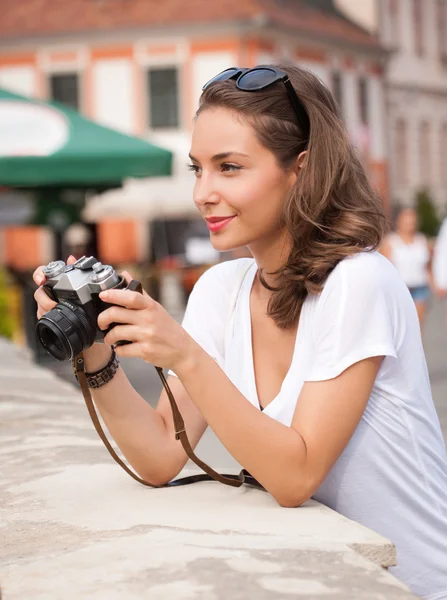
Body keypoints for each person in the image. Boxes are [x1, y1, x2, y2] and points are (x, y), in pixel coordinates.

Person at [33, 65, 447, 599]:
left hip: (413, 582)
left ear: (300, 169)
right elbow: (161, 455)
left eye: (229, 167)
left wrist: (185, 354)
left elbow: (295, 477)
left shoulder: (358, 281)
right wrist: (92, 346)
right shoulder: (220, 289)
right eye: (197, 168)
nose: (203, 192)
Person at [380, 207, 434, 329]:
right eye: (407, 221)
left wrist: (435, 284)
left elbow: (428, 266)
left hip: (420, 287)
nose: (410, 225)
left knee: (418, 326)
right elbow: (385, 268)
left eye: (412, 221)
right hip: (400, 288)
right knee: (400, 326)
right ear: (399, 222)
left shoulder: (422, 240)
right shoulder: (391, 242)